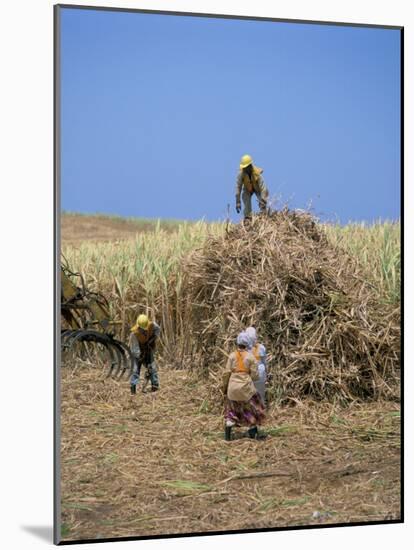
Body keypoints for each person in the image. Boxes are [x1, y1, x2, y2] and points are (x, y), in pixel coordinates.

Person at [222, 331, 266, 441]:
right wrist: (249, 378)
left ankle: (228, 434)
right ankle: (253, 433)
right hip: (246, 389)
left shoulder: (232, 356)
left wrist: (225, 387)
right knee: (255, 406)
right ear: (247, 344)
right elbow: (255, 375)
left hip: (232, 388)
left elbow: (226, 373)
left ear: (237, 343)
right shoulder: (250, 357)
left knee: (232, 408)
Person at [129, 314, 160, 394]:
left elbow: (158, 330)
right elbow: (135, 349)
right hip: (138, 353)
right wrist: (141, 356)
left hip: (148, 349)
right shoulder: (134, 334)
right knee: (135, 370)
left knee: (152, 368)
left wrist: (153, 339)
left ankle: (155, 386)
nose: (144, 330)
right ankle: (133, 389)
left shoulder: (153, 326)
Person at [235, 154, 269, 220]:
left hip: (257, 188)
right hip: (247, 188)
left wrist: (263, 200)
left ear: (250, 166)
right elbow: (238, 188)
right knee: (245, 198)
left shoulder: (257, 173)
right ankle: (248, 218)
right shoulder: (241, 174)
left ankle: (264, 215)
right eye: (243, 167)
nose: (244, 169)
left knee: (262, 202)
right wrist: (238, 202)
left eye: (245, 167)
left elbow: (263, 188)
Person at [245, 326, 267, 406]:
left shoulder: (245, 349)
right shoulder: (261, 348)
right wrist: (266, 373)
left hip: (250, 376)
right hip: (260, 375)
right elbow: (264, 362)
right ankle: (262, 413)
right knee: (261, 395)